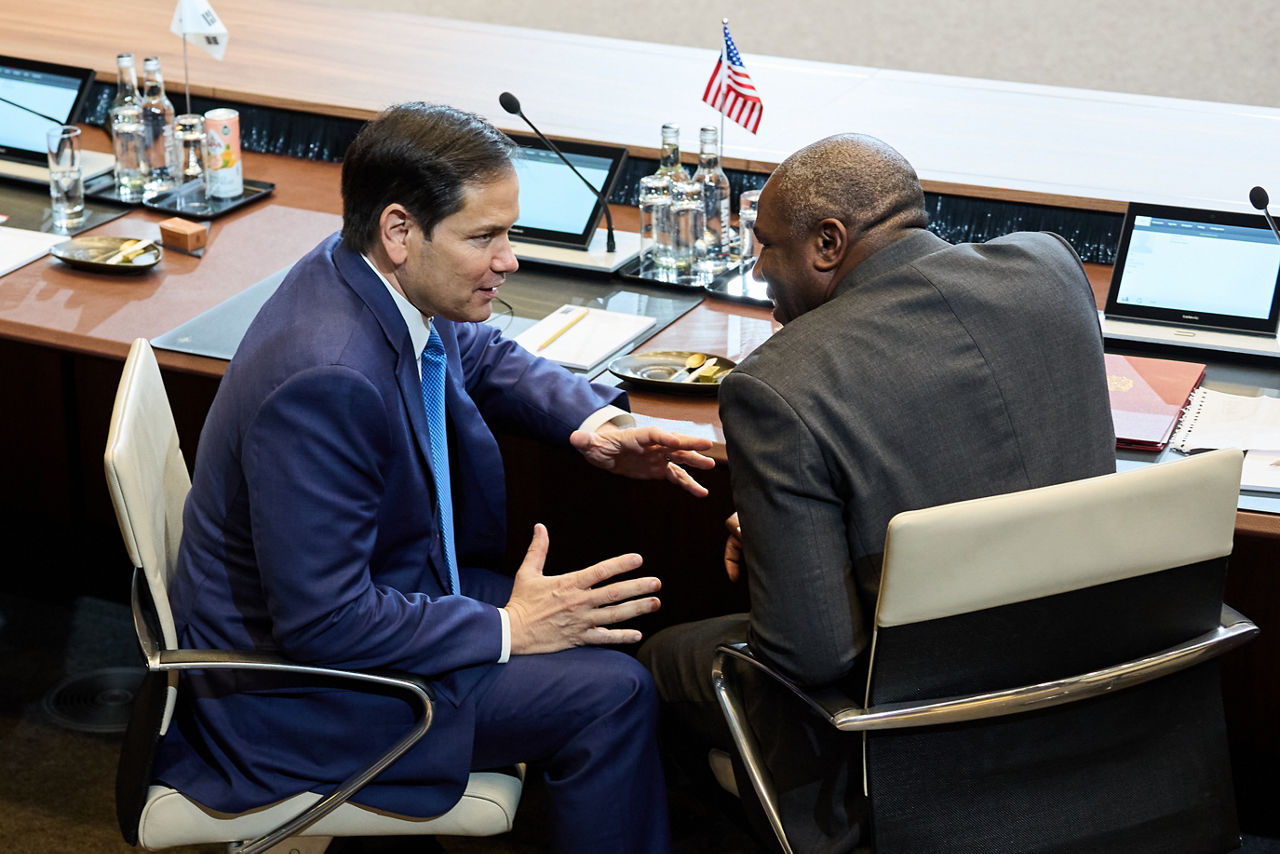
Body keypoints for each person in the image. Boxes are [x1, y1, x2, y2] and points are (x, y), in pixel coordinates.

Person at [154, 102, 715, 854]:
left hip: (385, 592)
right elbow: (323, 623)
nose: (509, 260)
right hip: (300, 693)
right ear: (399, 231)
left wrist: (594, 425)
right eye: (485, 237)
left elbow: (475, 353)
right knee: (612, 694)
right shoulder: (327, 379)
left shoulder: (363, 269)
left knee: (605, 637)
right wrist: (509, 629)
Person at [639, 133, 1116, 851]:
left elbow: (812, 656)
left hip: (921, 720)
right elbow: (975, 446)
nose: (758, 265)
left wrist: (784, 552)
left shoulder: (779, 385)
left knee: (650, 667)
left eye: (767, 245)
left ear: (828, 242)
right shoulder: (1052, 269)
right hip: (1101, 683)